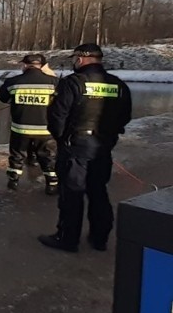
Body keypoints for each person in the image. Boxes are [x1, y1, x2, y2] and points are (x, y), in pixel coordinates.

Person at [39, 43, 132, 252]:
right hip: (102, 147)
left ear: (80, 59)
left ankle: (68, 239)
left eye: (74, 59)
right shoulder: (118, 85)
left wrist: (63, 139)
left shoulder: (73, 83)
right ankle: (100, 239)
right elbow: (125, 116)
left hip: (76, 147)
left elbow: (57, 117)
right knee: (98, 191)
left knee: (72, 193)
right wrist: (107, 136)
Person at [0, 54, 59, 194]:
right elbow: (62, 104)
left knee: (17, 156)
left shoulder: (13, 81)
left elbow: (3, 97)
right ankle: (52, 185)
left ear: (24, 65)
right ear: (42, 66)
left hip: (20, 129)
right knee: (48, 157)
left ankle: (13, 182)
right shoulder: (55, 82)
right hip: (45, 130)